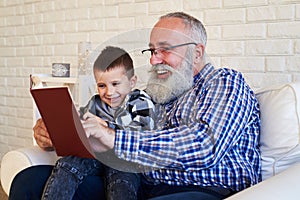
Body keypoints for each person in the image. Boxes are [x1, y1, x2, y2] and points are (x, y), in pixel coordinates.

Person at [9, 11, 261, 200]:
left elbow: (206, 145)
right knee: (29, 181)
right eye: (151, 51)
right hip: (137, 184)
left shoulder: (223, 82)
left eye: (165, 50)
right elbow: (105, 120)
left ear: (197, 53)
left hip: (202, 189)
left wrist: (113, 139)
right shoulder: (155, 94)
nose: (154, 59)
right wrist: (60, 132)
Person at [9, 46, 156, 200]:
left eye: (115, 84)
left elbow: (142, 135)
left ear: (132, 82)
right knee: (67, 164)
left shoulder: (140, 101)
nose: (109, 92)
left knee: (121, 179)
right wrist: (56, 128)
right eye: (102, 86)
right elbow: (78, 125)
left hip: (125, 161)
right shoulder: (95, 103)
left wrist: (106, 129)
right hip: (96, 158)